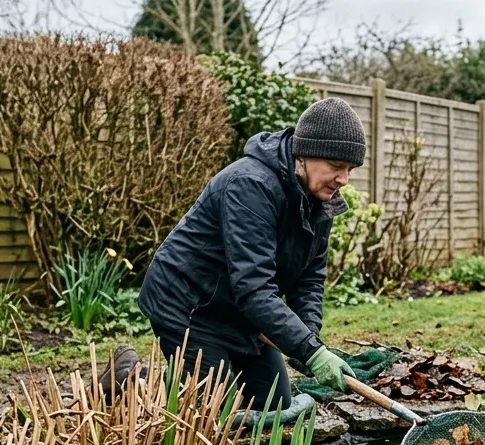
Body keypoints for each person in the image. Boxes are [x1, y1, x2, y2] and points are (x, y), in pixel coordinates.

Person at [138, 98, 364, 415]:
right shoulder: (250, 185)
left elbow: (309, 281)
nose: (344, 179)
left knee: (275, 404)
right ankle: (130, 378)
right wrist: (311, 352)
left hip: (239, 310)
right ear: (304, 154)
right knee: (213, 409)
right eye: (336, 167)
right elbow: (254, 287)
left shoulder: (321, 201)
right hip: (190, 302)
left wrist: (309, 343)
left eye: (350, 169)